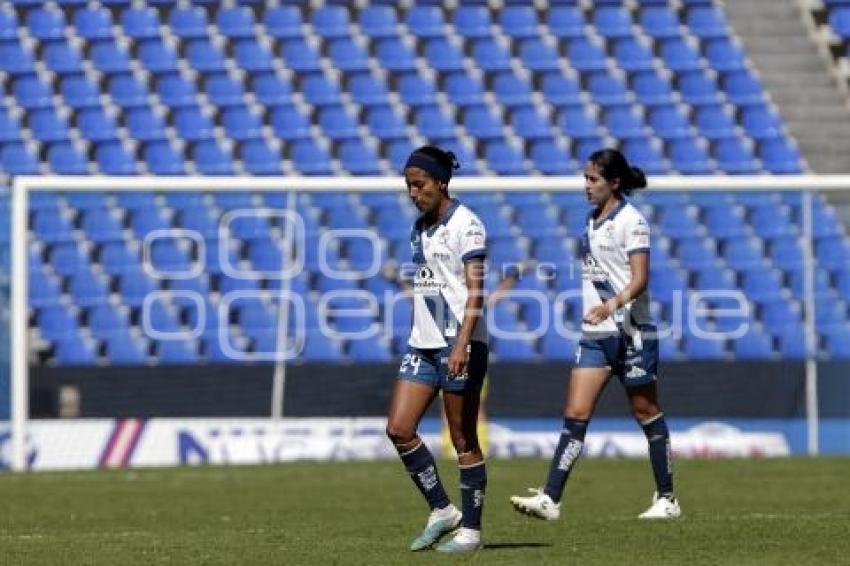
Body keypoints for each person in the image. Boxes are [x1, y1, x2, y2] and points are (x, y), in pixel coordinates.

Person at [510, 148, 681, 521]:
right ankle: (550, 499)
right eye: (585, 178)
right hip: (595, 335)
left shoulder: (632, 222)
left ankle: (667, 498)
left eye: (593, 179)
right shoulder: (591, 221)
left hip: (631, 332)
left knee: (646, 411)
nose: (586, 186)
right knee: (575, 413)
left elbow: (640, 279)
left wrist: (611, 305)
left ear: (614, 182)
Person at [385, 145, 489, 553]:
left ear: (441, 182)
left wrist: (462, 343)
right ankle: (442, 510)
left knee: (462, 439)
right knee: (399, 429)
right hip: (423, 343)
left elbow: (475, 290)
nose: (413, 193)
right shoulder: (420, 228)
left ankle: (472, 533)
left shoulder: (467, 224)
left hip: (458, 343)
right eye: (408, 186)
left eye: (419, 184)